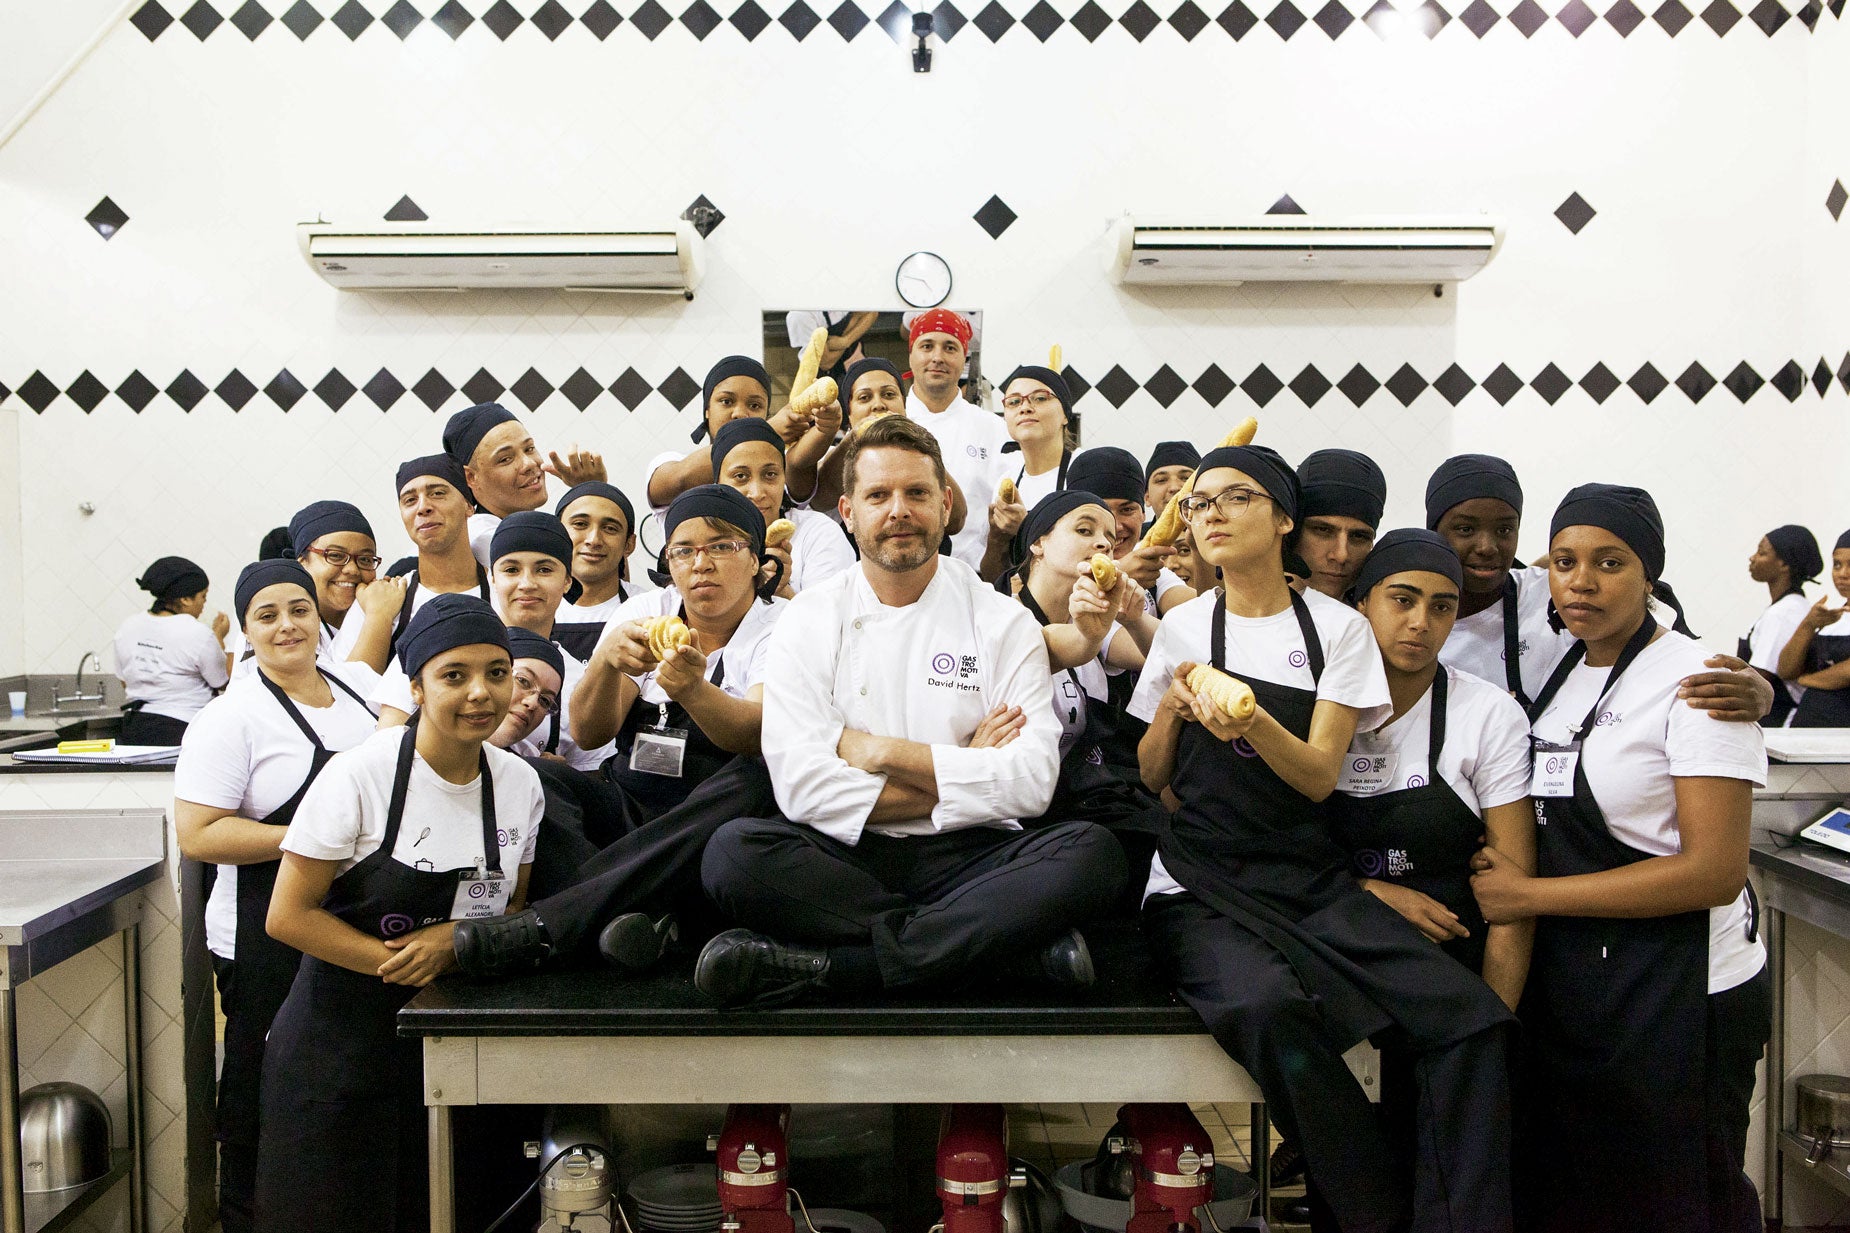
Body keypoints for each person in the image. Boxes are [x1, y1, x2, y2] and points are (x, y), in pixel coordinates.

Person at [1134, 444, 1514, 1233]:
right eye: (1200, 501)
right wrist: (1173, 709)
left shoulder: (1337, 630)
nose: (1209, 513)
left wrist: (1251, 718)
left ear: (1281, 520)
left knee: (1471, 1018)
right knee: (1268, 1007)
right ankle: (1375, 1210)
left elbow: (1315, 775)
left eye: (1233, 498)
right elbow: (1151, 776)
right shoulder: (1181, 626)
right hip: (1199, 879)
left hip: (1305, 879)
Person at [696, 415, 1127, 1007]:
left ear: (946, 505)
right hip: (845, 854)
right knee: (732, 857)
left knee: (1092, 855)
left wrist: (882, 753)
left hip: (972, 852)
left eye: (917, 493)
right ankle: (1003, 951)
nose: (898, 510)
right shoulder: (809, 618)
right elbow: (801, 788)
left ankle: (841, 968)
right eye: (878, 495)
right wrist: (965, 764)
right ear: (847, 512)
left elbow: (1032, 784)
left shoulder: (1002, 621)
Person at [1467, 484, 1768, 1233]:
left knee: (1680, 1195)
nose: (1582, 581)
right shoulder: (1569, 671)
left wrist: (1528, 896)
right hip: (1592, 983)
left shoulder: (1699, 684)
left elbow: (1713, 871)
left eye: (1609, 562)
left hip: (1685, 989)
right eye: (1565, 561)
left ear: (1650, 575)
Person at [254, 594, 542, 1233]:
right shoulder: (359, 776)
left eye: (498, 673)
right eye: (454, 675)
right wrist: (414, 960)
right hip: (339, 1049)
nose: (480, 694)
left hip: (452, 1043)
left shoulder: (520, 783)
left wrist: (459, 940)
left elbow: (514, 901)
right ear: (415, 687)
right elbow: (289, 917)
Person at [172, 559, 378, 1233]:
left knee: (344, 1095)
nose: (288, 624)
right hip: (261, 938)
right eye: (267, 614)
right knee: (262, 1098)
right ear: (246, 631)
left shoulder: (358, 688)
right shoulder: (230, 718)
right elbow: (199, 833)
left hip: (352, 924)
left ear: (319, 614)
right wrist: (313, 836)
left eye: (299, 607)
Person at [1425, 454, 1774, 722]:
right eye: (1465, 530)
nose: (1487, 546)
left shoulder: (1550, 593)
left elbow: (1672, 656)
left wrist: (1761, 691)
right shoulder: (1403, 611)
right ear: (1433, 531)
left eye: (1504, 530)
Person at [572, 485, 787, 820]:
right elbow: (589, 735)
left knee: (754, 783)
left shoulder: (782, 625)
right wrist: (605, 663)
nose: (701, 564)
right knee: (543, 779)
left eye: (720, 547)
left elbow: (757, 734)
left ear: (755, 560)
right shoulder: (646, 611)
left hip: (715, 810)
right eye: (683, 552)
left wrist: (693, 691)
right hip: (629, 798)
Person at [1010, 490, 1166, 898]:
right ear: (1038, 543)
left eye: (1109, 538)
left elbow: (1163, 660)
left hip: (1090, 796)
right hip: (1029, 811)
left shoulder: (1097, 622)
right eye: (1084, 529)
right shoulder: (999, 619)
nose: (1102, 543)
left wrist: (1133, 618)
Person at [644, 357, 838, 513]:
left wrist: (825, 429)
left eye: (754, 405)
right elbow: (677, 481)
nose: (740, 413)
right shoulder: (671, 462)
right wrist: (766, 431)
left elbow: (800, 474)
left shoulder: (777, 469)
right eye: (727, 401)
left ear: (766, 413)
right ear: (707, 410)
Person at [809, 357, 969, 532]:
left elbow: (956, 520)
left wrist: (911, 439)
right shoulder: (831, 456)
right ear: (849, 413)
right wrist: (856, 437)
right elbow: (819, 500)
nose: (878, 404)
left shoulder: (924, 452)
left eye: (889, 394)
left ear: (904, 406)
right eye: (864, 398)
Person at [903, 310, 1009, 572]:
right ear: (911, 355)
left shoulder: (994, 428)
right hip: (900, 572)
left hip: (975, 576)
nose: (937, 357)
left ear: (964, 358)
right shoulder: (890, 421)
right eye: (927, 346)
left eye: (950, 347)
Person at [441, 402, 606, 567]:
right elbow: (594, 581)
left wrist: (590, 491)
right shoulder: (484, 538)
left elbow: (614, 584)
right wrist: (594, 492)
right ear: (470, 477)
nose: (529, 463)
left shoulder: (526, 529)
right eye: (506, 459)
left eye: (529, 449)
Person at [710, 417, 854, 596]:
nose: (757, 493)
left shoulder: (818, 534)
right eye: (740, 476)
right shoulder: (701, 546)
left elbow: (830, 620)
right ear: (718, 484)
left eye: (770, 474)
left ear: (783, 478)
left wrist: (780, 589)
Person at [114, 556, 230, 744]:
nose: (203, 605)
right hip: (183, 729)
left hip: (134, 727)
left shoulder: (127, 627)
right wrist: (218, 635)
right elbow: (221, 682)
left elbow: (124, 681)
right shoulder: (197, 633)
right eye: (203, 597)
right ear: (185, 599)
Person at [1066, 447, 1195, 615]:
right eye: (1101, 512)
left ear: (1143, 515)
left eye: (1126, 510)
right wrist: (1113, 578)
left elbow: (1196, 611)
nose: (1116, 526)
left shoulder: (1146, 567)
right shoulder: (1058, 570)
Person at [386, 454, 492, 657]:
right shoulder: (387, 603)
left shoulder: (505, 593)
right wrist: (377, 618)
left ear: (468, 506)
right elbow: (353, 680)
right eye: (410, 500)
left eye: (437, 493)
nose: (423, 507)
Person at [1738, 523, 1821, 726]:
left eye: (1761, 553)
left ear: (1784, 564)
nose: (1752, 558)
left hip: (1779, 722)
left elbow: (1758, 678)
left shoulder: (1784, 613)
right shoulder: (1793, 606)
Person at [553, 481, 646, 660]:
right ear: (557, 534)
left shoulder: (648, 609)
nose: (593, 540)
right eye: (580, 524)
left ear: (629, 544)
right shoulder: (534, 603)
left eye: (610, 528)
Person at [1293, 449, 1385, 600]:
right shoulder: (1244, 615)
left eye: (1359, 536)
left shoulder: (1377, 621)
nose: (1341, 555)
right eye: (1323, 530)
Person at [1781, 529, 1850, 726]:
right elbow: (1786, 670)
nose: (1842, 574)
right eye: (1837, 565)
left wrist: (1806, 680)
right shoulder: (1832, 618)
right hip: (1809, 731)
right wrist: (1808, 625)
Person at [785, 309, 879, 387]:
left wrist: (845, 341)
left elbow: (872, 312)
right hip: (824, 382)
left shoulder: (841, 293)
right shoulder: (799, 316)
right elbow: (826, 362)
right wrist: (855, 321)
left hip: (856, 366)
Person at [1143, 441, 1199, 527]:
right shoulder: (1134, 538)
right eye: (1161, 480)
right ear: (1147, 497)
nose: (1174, 487)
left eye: (1186, 478)